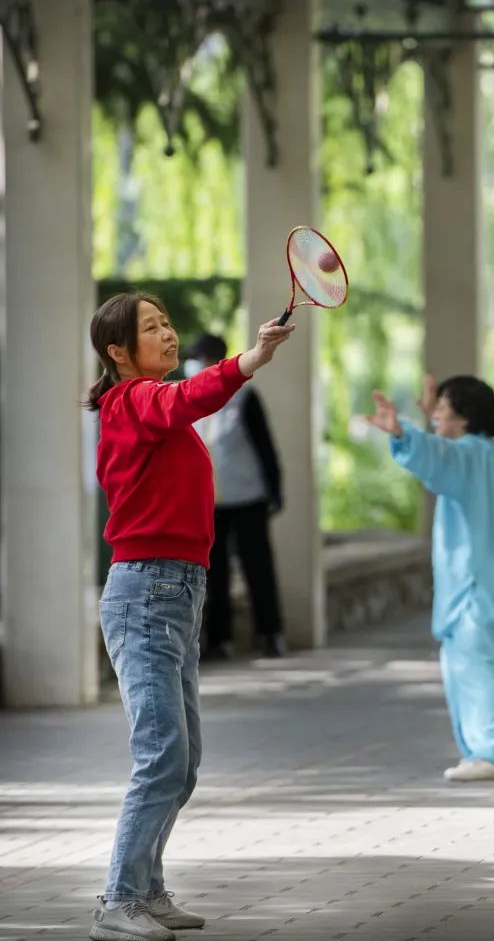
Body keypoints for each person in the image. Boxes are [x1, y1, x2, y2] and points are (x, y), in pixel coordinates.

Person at [86, 292, 293, 941]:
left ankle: (147, 890)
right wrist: (250, 358)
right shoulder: (132, 401)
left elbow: (182, 405)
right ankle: (118, 900)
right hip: (146, 593)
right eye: (152, 329)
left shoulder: (154, 412)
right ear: (119, 352)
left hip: (176, 594)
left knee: (184, 758)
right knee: (161, 756)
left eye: (167, 323)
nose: (168, 335)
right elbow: (183, 399)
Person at [367, 374, 494, 782]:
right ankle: (480, 752)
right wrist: (425, 431)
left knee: (478, 675)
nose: (436, 414)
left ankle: (491, 753)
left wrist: (404, 433)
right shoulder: (482, 453)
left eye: (443, 408)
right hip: (476, 592)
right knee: (468, 675)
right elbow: (441, 457)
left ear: (464, 416)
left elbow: (441, 459)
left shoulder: (472, 454)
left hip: (477, 593)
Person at [184, 333, 287, 660]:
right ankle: (219, 640)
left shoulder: (244, 396)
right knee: (214, 573)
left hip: (247, 496)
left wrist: (275, 489)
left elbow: (265, 446)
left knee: (258, 567)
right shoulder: (189, 396)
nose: (196, 365)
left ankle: (270, 634)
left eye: (201, 358)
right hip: (208, 502)